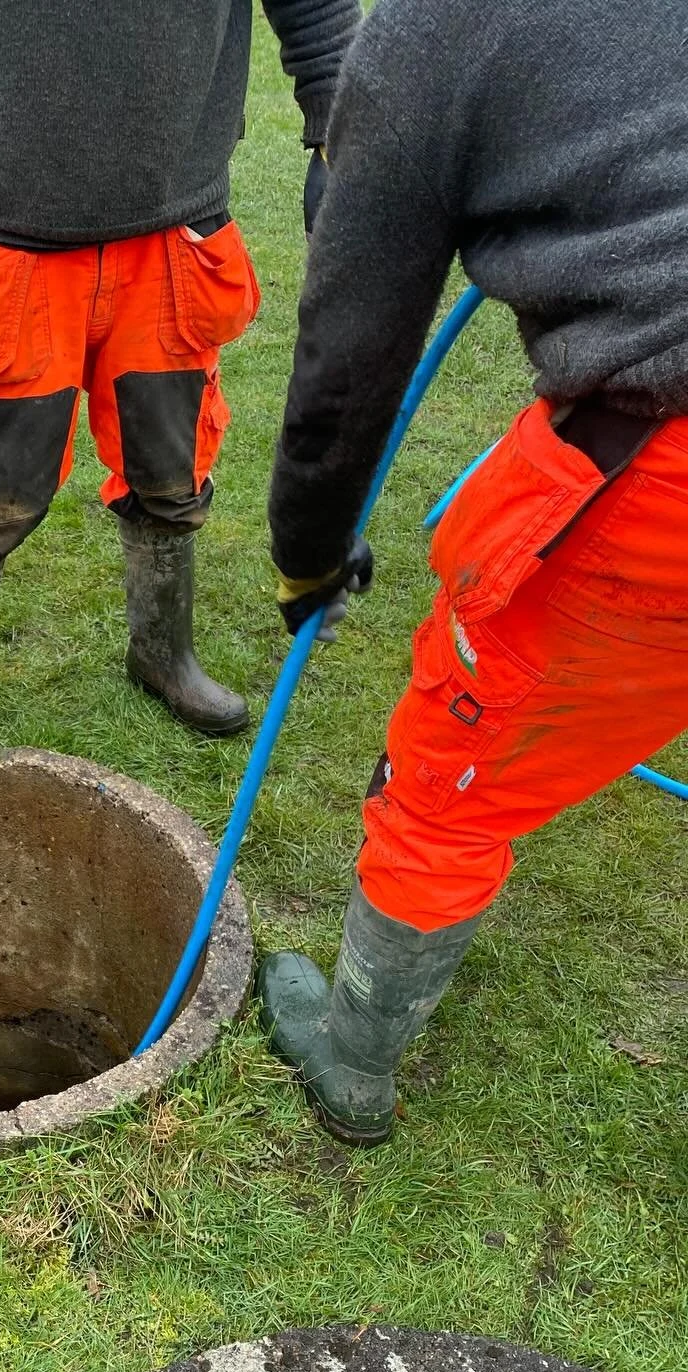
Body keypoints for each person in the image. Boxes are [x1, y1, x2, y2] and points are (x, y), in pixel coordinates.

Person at [258, 0, 688, 1145]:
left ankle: (352, 1068)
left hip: (665, 474)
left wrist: (307, 556)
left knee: (453, 775)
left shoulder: (436, 27)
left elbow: (349, 355)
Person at [0, 0, 360, 739]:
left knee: (170, 462)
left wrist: (341, 128)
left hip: (174, 219)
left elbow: (317, 7)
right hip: (10, 225)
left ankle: (164, 654)